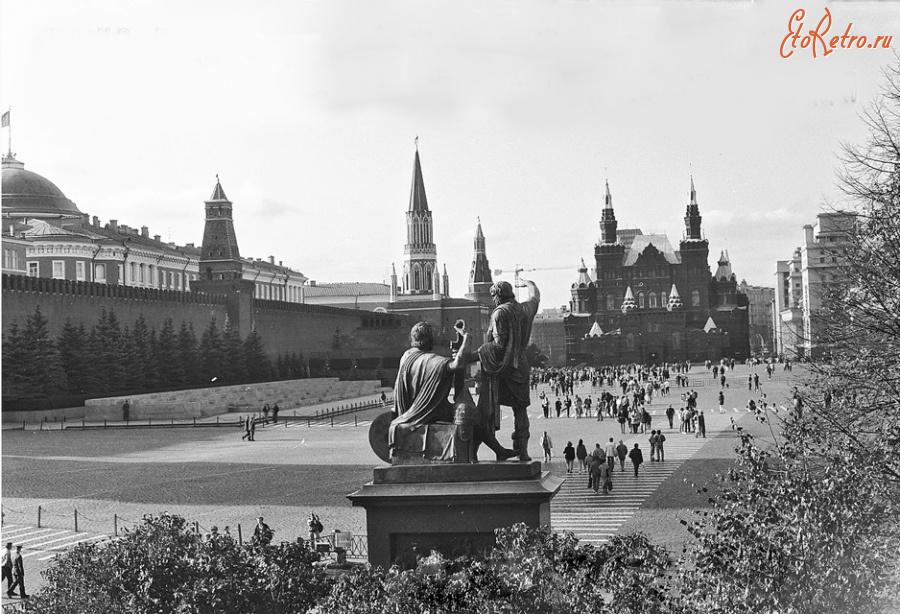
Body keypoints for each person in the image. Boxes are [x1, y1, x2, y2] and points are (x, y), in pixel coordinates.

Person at [477, 279, 540, 461]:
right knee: (520, 410)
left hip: (502, 368)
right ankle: (523, 452)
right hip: (521, 366)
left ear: (497, 296)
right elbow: (535, 296)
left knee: (489, 407)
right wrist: (529, 283)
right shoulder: (524, 309)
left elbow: (498, 346)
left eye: (493, 296)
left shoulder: (500, 313)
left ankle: (498, 450)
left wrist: (479, 352)